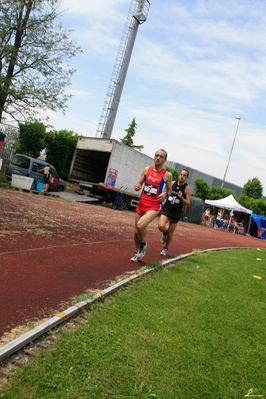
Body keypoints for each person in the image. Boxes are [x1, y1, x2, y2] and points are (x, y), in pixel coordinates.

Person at [130, 149, 172, 262]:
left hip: (154, 205)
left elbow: (170, 191)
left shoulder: (167, 175)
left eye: (161, 156)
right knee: (136, 232)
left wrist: (165, 194)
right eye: (156, 155)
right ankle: (138, 252)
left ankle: (143, 245)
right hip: (142, 202)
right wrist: (137, 186)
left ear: (165, 160)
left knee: (140, 226)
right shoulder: (146, 170)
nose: (158, 158)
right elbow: (139, 183)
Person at [158, 169, 191, 256]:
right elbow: (166, 192)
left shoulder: (187, 188)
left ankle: (165, 248)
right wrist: (164, 194)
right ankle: (164, 232)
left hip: (176, 212)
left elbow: (188, 203)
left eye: (184, 175)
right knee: (161, 226)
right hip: (167, 209)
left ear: (187, 177)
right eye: (181, 174)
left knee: (170, 232)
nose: (182, 176)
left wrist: (181, 198)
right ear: (178, 175)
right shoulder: (172, 183)